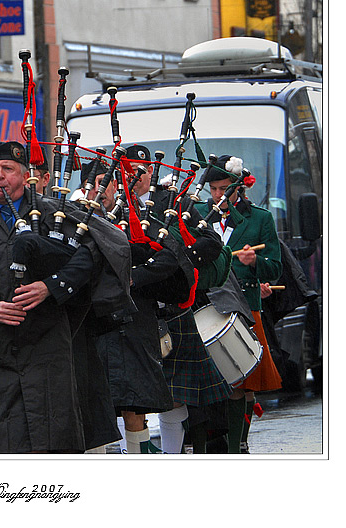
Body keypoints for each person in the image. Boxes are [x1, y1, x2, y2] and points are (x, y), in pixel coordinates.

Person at [0, 141, 133, 453]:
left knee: (53, 443)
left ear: (25, 175)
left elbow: (104, 249)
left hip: (48, 349)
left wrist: (51, 286)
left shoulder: (55, 214)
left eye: (8, 169)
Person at [82, 158, 175, 453]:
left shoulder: (141, 218)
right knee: (95, 405)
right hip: (93, 324)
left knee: (135, 405)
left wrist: (131, 279)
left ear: (114, 186)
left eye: (102, 184)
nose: (98, 192)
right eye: (91, 186)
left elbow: (168, 260)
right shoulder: (76, 221)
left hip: (135, 322)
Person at [195, 154, 282, 453]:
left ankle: (237, 445)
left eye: (223, 189)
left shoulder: (260, 218)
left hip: (245, 306)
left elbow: (276, 268)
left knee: (241, 382)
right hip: (205, 307)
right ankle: (207, 444)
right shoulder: (196, 213)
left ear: (238, 187)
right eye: (214, 189)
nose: (218, 195)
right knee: (205, 384)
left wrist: (256, 260)